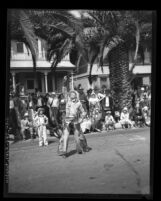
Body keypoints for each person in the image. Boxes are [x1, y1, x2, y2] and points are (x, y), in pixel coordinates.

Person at [58, 90, 90, 158]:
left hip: (76, 120)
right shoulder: (67, 102)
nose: (72, 95)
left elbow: (83, 112)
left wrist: (81, 118)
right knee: (65, 136)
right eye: (71, 94)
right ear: (69, 96)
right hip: (67, 120)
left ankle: (81, 148)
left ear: (76, 95)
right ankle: (63, 152)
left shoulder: (79, 103)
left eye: (73, 94)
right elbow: (64, 89)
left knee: (79, 135)